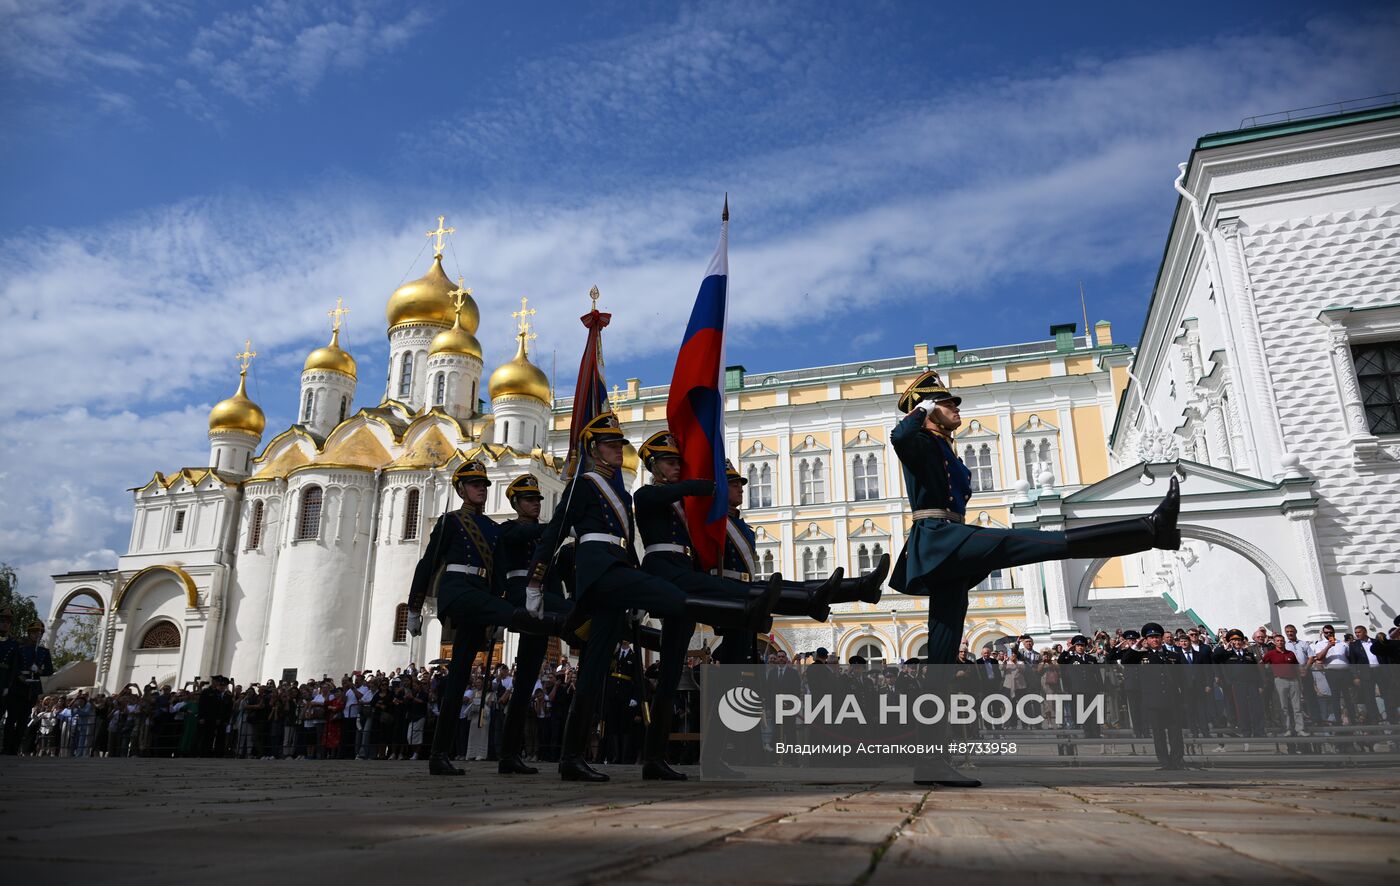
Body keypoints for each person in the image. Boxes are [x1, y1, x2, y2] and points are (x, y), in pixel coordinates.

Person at [889, 369, 1180, 787]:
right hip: (939, 539)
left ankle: (929, 761)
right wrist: (922, 408)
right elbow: (899, 439)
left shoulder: (943, 448)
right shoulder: (917, 440)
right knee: (1023, 543)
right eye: (949, 402)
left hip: (950, 546)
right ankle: (1150, 530)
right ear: (930, 408)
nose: (957, 408)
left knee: (940, 660)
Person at [524, 412, 696, 782]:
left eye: (619, 444)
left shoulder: (620, 492)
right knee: (674, 597)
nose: (618, 450)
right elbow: (554, 532)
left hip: (617, 574)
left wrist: (633, 592)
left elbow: (627, 546)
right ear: (593, 449)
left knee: (594, 668)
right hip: (598, 571)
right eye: (611, 444)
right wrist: (536, 582)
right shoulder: (583, 484)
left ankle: (571, 757)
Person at [406, 459, 575, 776]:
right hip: (458, 590)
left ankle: (442, 755)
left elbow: (497, 572)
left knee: (458, 675)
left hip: (481, 596)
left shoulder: (493, 529)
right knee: (518, 614)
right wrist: (415, 605)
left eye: (484, 484)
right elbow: (427, 563)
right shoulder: (451, 522)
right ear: (460, 489)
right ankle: (556, 624)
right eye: (473, 484)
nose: (480, 489)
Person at [494, 473, 577, 775]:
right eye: (529, 500)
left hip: (544, 600)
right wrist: (556, 528)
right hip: (521, 594)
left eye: (538, 500)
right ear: (516, 503)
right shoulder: (509, 529)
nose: (535, 504)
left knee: (526, 681)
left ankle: (509, 755)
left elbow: (551, 574)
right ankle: (508, 752)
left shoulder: (546, 536)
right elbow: (517, 539)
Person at [1119, 622, 1187, 770]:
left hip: (1172, 700)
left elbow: (1181, 677)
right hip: (1153, 701)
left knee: (1175, 733)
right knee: (1158, 734)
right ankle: (1164, 762)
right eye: (1151, 638)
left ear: (1161, 638)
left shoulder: (1173, 655)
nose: (1154, 640)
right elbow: (1125, 661)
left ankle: (1177, 760)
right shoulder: (1141, 655)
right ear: (1146, 640)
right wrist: (1136, 646)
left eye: (1157, 637)